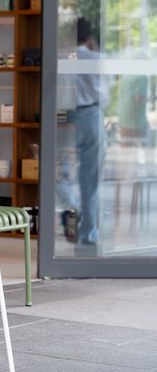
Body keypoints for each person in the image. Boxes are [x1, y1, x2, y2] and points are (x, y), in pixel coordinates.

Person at [74, 17, 108, 248]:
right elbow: (106, 94)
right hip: (92, 116)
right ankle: (87, 233)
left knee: (63, 174)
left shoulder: (66, 56)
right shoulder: (97, 58)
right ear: (90, 38)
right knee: (90, 179)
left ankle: (73, 214)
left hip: (68, 117)